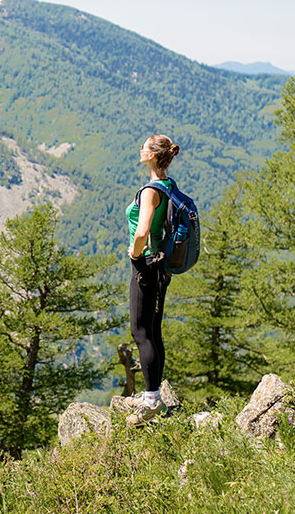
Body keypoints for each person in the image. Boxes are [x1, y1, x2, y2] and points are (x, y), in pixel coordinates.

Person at [124, 134, 180, 425]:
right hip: (162, 266)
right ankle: (154, 395)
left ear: (154, 156)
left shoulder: (149, 191)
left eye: (144, 146)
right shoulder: (168, 185)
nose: (140, 149)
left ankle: (150, 400)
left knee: (140, 331)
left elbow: (142, 230)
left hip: (145, 264)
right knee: (154, 330)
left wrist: (135, 255)